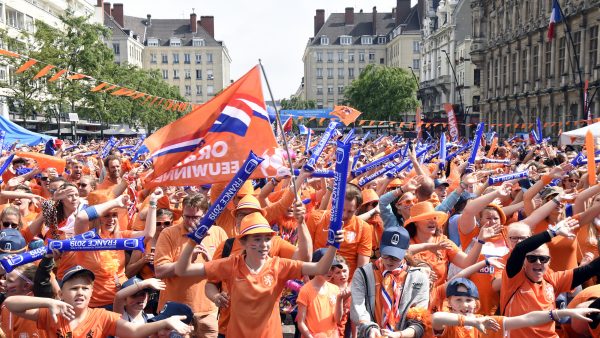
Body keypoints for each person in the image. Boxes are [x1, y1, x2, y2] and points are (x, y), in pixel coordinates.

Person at [174, 212, 343, 338]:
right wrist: (192, 241)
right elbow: (182, 270)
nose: (263, 244)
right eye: (256, 239)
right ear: (243, 242)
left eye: (267, 239)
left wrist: (334, 245)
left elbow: (320, 268)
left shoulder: (280, 265)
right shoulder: (231, 264)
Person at [4, 265, 192, 337]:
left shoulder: (102, 317)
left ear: (92, 292)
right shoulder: (51, 314)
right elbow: (11, 304)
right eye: (74, 288)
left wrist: (165, 322)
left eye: (85, 288)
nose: (80, 293)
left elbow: (134, 332)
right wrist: (49, 303)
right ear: (62, 293)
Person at [500, 217, 600, 337]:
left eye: (543, 259)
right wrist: (552, 233)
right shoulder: (514, 278)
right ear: (524, 262)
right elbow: (520, 249)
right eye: (532, 258)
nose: (538, 262)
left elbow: (590, 269)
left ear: (549, 261)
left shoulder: (552, 279)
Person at [154, 193, 227, 338]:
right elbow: (160, 271)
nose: (190, 221)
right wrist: (185, 260)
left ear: (206, 214)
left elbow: (227, 270)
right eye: (186, 216)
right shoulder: (168, 233)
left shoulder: (218, 233)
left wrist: (211, 262)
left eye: (196, 217)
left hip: (207, 312)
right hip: (175, 312)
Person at [431, 277, 600, 337]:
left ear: (476, 303)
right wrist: (472, 323)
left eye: (468, 300)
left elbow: (527, 318)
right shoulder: (449, 323)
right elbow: (436, 318)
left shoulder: (486, 321)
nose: (464, 304)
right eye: (458, 300)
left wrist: (565, 312)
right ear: (449, 303)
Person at [350, 226, 429, 338]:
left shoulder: (418, 278)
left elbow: (419, 320)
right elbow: (357, 307)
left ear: (406, 251)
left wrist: (399, 335)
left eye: (395, 256)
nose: (389, 260)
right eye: (386, 254)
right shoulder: (363, 273)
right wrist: (370, 328)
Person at [296, 248, 349, 338]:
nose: (330, 272)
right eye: (326, 267)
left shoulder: (334, 289)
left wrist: (340, 299)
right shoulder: (306, 290)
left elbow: (337, 320)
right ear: (315, 266)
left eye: (332, 268)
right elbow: (301, 323)